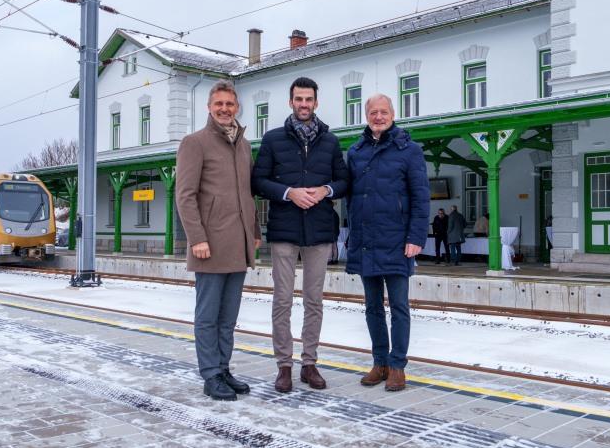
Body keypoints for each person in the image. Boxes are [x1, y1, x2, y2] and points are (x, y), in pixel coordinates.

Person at [252, 77, 348, 394]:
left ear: (316, 103)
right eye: (298, 99)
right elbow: (258, 182)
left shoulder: (330, 142)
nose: (304, 104)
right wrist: (289, 192)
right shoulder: (273, 139)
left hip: (320, 230)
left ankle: (309, 363)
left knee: (314, 300)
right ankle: (284, 366)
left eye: (309, 99)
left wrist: (326, 189)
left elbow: (345, 181)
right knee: (282, 300)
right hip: (284, 230)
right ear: (291, 101)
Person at [175, 80, 261, 401]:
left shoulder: (244, 144)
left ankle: (223, 368)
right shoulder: (194, 143)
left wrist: (254, 232)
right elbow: (185, 196)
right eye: (218, 104)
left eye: (230, 104)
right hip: (209, 244)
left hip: (237, 243)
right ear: (209, 108)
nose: (224, 109)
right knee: (208, 315)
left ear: (237, 107)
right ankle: (210, 374)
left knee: (228, 316)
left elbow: (247, 195)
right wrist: (196, 237)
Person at [346, 94, 429, 392]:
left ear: (393, 114)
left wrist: (416, 238)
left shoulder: (409, 151)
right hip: (366, 239)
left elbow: (421, 198)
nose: (378, 117)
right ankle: (379, 361)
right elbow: (350, 195)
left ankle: (397, 366)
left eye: (383, 112)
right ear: (366, 116)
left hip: (397, 241)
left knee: (399, 307)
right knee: (371, 307)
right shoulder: (356, 151)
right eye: (373, 112)